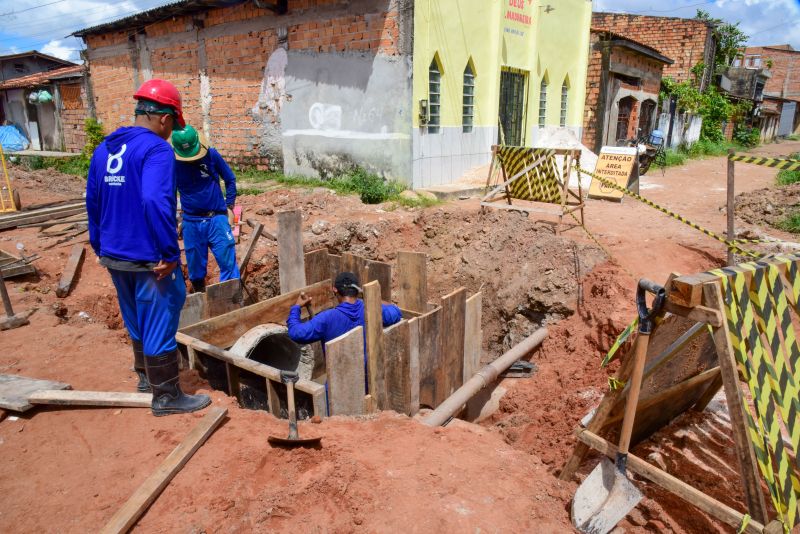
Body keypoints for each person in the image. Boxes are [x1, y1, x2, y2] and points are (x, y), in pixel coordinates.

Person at [86, 79, 211, 417]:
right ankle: (167, 396)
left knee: (135, 317)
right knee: (162, 311)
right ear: (165, 119)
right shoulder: (156, 149)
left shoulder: (106, 149)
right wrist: (169, 253)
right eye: (173, 125)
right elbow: (156, 200)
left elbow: (93, 201)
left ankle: (145, 378)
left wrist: (100, 245)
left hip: (115, 254)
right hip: (148, 257)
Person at [171, 125, 239, 293]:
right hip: (191, 222)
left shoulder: (211, 155)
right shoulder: (172, 164)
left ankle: (230, 305)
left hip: (216, 219)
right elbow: (170, 194)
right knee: (195, 272)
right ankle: (201, 301)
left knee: (228, 265)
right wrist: (173, 221)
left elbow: (230, 180)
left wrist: (229, 206)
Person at [287, 272, 402, 345]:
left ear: (334, 289)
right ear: (357, 290)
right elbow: (396, 312)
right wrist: (371, 298)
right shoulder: (372, 310)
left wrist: (296, 307)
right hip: (368, 379)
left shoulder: (327, 318)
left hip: (338, 381)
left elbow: (295, 333)